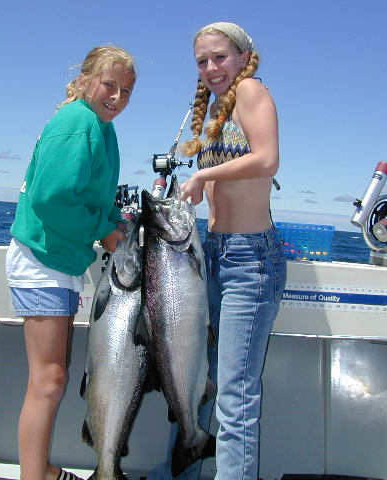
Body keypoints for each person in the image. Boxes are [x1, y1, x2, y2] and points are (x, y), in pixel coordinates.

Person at [147, 22, 287, 480]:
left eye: (220, 57)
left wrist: (204, 175)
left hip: (251, 260)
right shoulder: (214, 108)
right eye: (202, 61)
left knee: (234, 394)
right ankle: (179, 473)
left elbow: (267, 158)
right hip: (214, 252)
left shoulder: (250, 91)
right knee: (196, 378)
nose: (211, 68)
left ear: (244, 57)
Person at [5, 46, 136, 480]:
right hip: (42, 259)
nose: (117, 97)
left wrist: (116, 223)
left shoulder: (101, 128)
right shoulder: (78, 123)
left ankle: (42, 470)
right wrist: (104, 231)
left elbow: (91, 197)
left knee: (54, 377)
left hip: (61, 261)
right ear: (84, 81)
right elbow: (52, 199)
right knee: (48, 381)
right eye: (109, 85)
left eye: (126, 91)